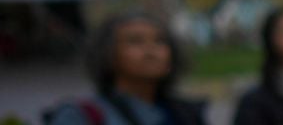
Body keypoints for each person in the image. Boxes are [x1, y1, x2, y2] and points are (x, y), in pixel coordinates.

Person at [45, 11, 207, 125]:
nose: (151, 50)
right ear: (107, 53)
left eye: (160, 41)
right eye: (135, 41)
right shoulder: (82, 116)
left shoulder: (185, 113)